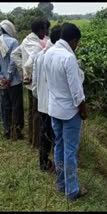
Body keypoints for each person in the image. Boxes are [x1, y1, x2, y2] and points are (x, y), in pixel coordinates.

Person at [44, 23, 88, 200]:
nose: (76, 46)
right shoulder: (68, 58)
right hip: (70, 112)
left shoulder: (49, 53)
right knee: (70, 150)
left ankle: (61, 184)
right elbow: (76, 91)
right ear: (74, 40)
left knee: (59, 146)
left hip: (54, 109)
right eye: (77, 43)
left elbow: (49, 81)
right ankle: (72, 190)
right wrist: (83, 110)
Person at [11, 17, 47, 147]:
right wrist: (27, 69)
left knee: (32, 111)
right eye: (45, 29)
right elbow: (31, 61)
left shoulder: (26, 40)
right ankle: (36, 142)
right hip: (35, 83)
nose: (46, 32)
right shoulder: (36, 45)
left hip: (28, 82)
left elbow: (14, 55)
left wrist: (23, 71)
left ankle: (31, 138)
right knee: (37, 112)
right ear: (40, 29)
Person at [32, 25, 61, 172]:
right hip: (55, 105)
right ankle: (56, 165)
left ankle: (44, 163)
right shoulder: (57, 56)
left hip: (43, 104)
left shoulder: (40, 55)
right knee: (56, 136)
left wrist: (39, 97)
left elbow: (35, 83)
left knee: (44, 135)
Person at [0, 20, 24, 140]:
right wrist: (9, 77)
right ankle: (17, 131)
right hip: (14, 81)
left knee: (5, 105)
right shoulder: (13, 42)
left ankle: (7, 129)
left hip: (2, 82)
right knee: (16, 106)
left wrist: (2, 78)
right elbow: (13, 62)